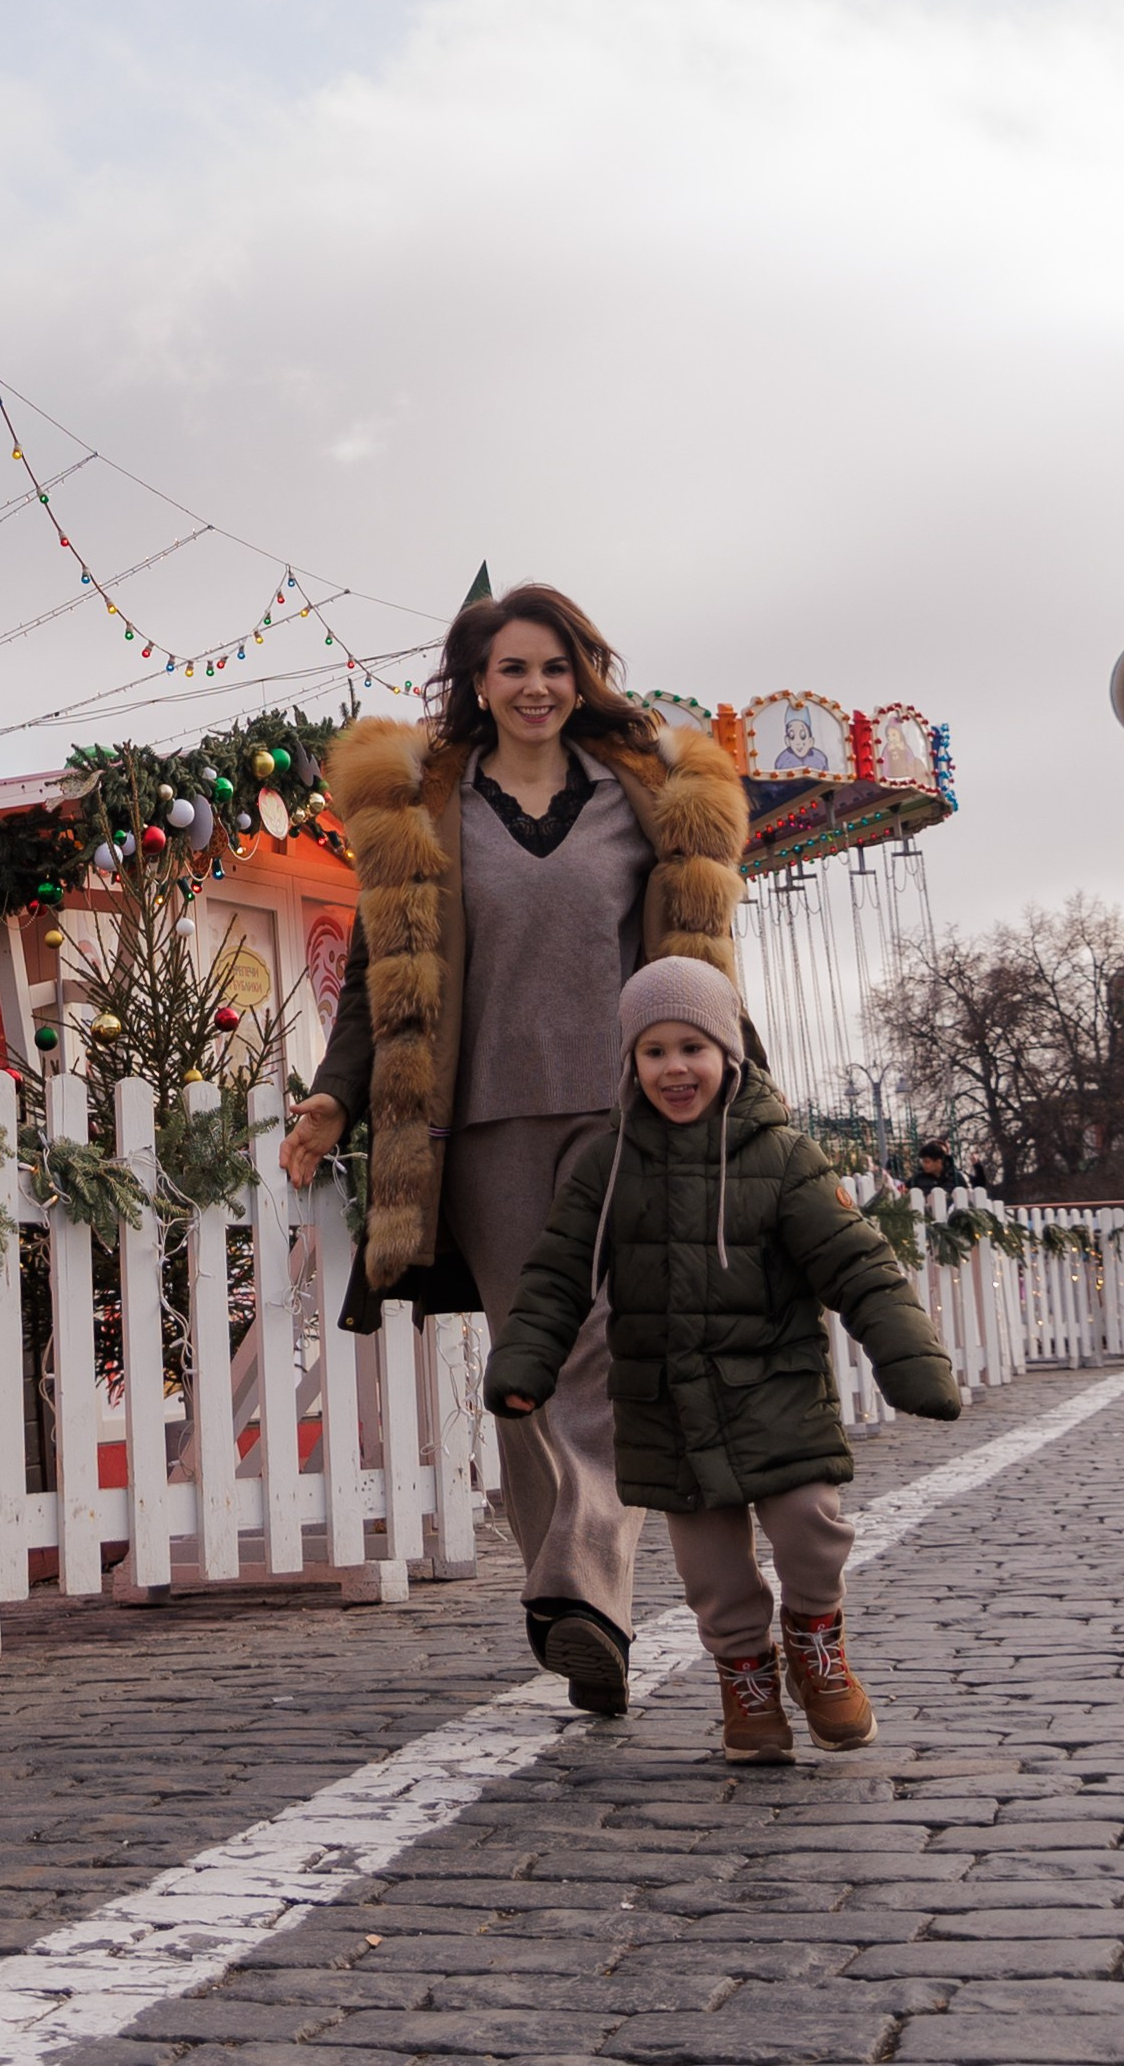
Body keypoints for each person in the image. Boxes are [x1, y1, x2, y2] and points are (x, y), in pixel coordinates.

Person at [279, 581, 752, 1719]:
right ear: (476, 685)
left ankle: (580, 1586)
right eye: (512, 670)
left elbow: (700, 965)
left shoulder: (644, 802)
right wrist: (335, 1100)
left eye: (555, 668)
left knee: (597, 1350)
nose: (536, 688)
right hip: (475, 1125)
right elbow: (381, 984)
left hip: (622, 1117)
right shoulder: (426, 809)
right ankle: (578, 1612)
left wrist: (747, 1092)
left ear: (582, 676)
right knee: (524, 1370)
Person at [484, 958, 961, 1763]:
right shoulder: (608, 1168)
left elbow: (859, 1265)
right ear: (632, 1064)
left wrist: (910, 1360)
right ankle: (746, 1678)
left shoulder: (783, 1158)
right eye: (655, 1051)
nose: (676, 1069)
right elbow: (558, 1273)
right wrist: (526, 1364)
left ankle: (815, 1639)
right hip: (667, 1405)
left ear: (730, 1052)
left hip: (777, 1391)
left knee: (812, 1527)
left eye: (693, 1048)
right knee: (712, 1571)